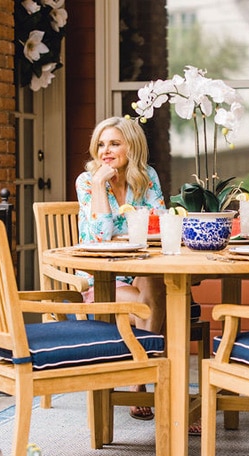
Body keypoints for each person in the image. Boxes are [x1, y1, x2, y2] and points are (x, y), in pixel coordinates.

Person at [76, 116, 167, 421]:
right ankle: (149, 378)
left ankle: (139, 377)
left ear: (132, 147)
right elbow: (100, 235)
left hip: (140, 269)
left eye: (114, 143)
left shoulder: (146, 177)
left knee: (155, 285)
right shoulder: (87, 181)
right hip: (101, 280)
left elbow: (161, 224)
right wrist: (100, 184)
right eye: (101, 144)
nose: (106, 151)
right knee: (148, 305)